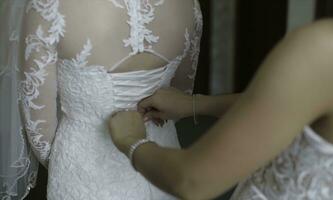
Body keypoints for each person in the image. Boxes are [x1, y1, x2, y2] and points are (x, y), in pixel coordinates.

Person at [108, 0, 333, 199]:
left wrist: (131, 141)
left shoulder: (329, 47)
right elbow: (294, 105)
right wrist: (196, 104)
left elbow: (192, 181)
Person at [0, 0, 202, 199]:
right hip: (163, 166)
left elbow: (39, 131)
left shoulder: (48, 7)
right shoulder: (190, 5)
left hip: (83, 175)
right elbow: (179, 101)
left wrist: (70, 159)